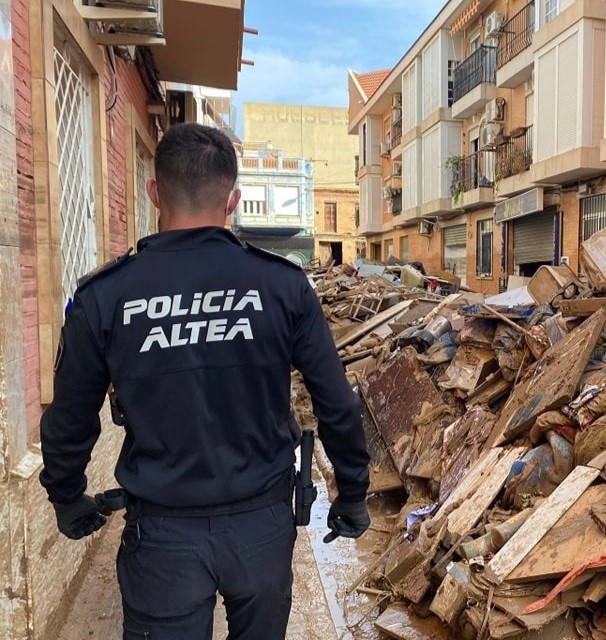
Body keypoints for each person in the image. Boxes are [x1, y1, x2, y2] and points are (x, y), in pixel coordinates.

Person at [39, 123, 370, 639]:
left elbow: (69, 415)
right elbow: (336, 403)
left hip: (164, 541)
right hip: (262, 532)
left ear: (154, 192)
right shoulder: (282, 286)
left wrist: (67, 495)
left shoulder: (106, 296)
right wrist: (353, 492)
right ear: (233, 199)